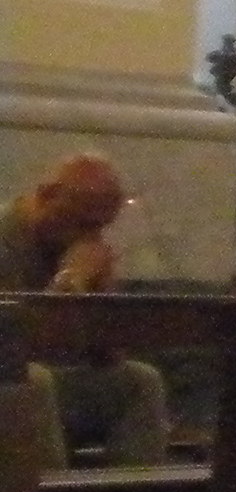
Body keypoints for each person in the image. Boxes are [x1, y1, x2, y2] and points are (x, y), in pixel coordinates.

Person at [1, 155, 167, 466]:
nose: (90, 238)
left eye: (101, 227)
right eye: (83, 223)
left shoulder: (72, 248)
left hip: (50, 385)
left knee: (141, 381)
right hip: (12, 385)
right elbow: (14, 349)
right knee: (35, 380)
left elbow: (110, 356)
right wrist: (68, 282)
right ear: (47, 195)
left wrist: (102, 292)